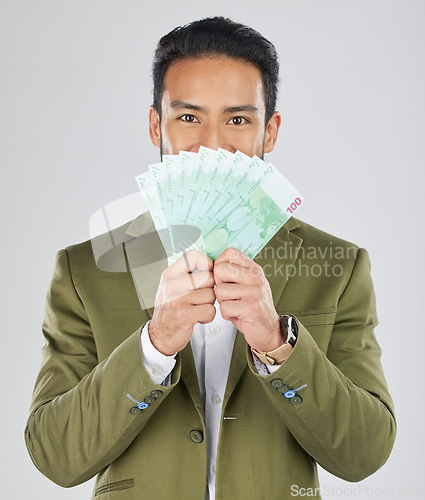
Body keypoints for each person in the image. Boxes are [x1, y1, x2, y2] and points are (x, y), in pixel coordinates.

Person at [25, 17, 396, 499]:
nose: (214, 144)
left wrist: (277, 344)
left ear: (271, 130)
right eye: (188, 117)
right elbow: (55, 455)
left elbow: (364, 453)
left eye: (238, 120)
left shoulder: (338, 267)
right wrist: (155, 345)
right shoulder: (86, 270)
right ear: (156, 125)